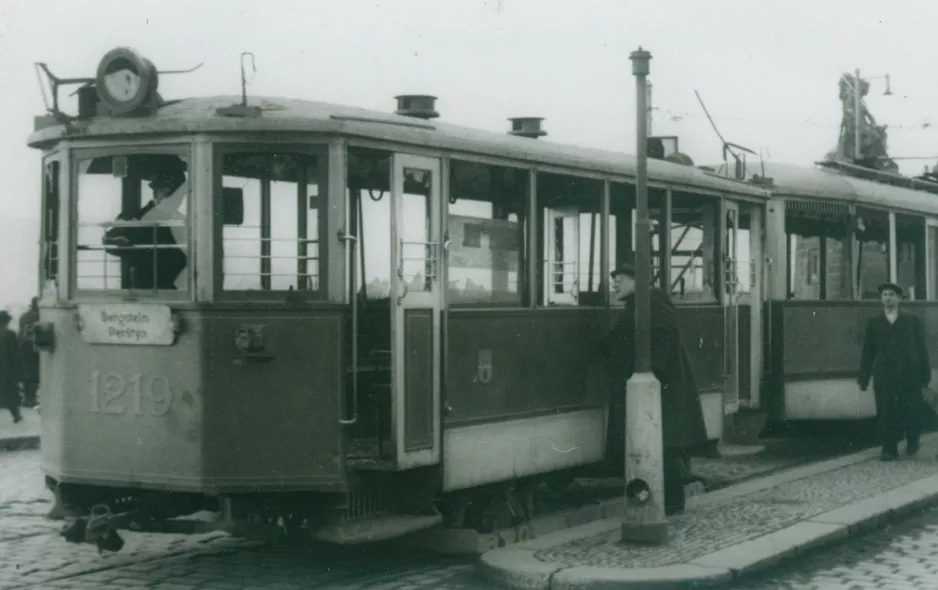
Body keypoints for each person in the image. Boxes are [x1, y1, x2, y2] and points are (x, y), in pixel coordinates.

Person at [598, 262, 710, 516]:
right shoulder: (637, 304)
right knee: (662, 446)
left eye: (620, 279)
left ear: (637, 281)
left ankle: (671, 505)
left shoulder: (653, 300)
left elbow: (663, 335)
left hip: (662, 388)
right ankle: (669, 504)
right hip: (657, 387)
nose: (615, 283)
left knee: (664, 445)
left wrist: (650, 373)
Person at [857, 281, 931, 461]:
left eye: (891, 295)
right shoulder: (874, 322)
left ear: (899, 299)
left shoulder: (911, 319)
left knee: (911, 409)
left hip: (909, 373)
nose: (888, 298)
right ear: (881, 299)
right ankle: (889, 449)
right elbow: (868, 351)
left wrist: (925, 376)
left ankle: (913, 440)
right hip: (885, 374)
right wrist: (864, 376)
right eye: (885, 295)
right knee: (886, 411)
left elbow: (921, 349)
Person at [103, 161, 189, 290]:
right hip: (148, 288)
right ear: (161, 190)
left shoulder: (184, 219)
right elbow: (112, 240)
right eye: (175, 193)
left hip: (183, 289)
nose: (179, 198)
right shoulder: (135, 215)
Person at [0, 311, 23, 424]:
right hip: (6, 368)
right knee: (9, 392)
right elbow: (15, 353)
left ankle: (17, 415)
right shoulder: (9, 334)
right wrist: (19, 368)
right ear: (6, 321)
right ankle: (16, 416)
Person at [18, 297, 40, 408]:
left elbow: (20, 332)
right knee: (33, 374)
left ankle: (27, 398)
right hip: (33, 346)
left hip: (22, 345)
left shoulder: (23, 316)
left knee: (26, 373)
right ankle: (31, 399)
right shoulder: (38, 316)